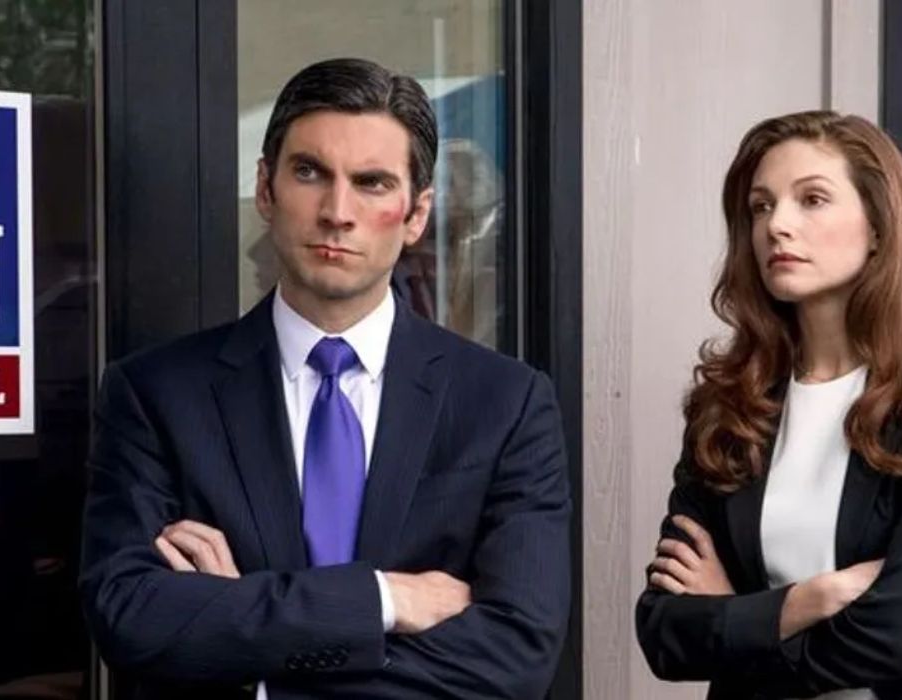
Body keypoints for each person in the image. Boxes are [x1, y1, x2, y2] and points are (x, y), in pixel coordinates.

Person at [79, 57, 571, 699]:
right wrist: (382, 599)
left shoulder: (506, 404)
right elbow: (132, 618)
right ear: (265, 188)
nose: (337, 211)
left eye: (371, 183)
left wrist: (252, 653)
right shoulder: (154, 395)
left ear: (416, 213)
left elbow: (516, 656)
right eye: (310, 172)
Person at [634, 110, 902, 699]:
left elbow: (900, 638)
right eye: (761, 206)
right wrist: (808, 600)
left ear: (879, 228)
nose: (777, 225)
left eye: (812, 200)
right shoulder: (730, 405)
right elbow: (664, 633)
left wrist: (738, 618)